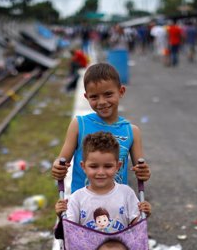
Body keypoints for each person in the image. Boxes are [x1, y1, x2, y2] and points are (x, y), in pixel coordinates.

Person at [50, 63, 150, 194]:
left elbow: (140, 171)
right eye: (94, 97)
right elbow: (62, 159)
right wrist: (57, 166)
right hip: (83, 207)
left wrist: (144, 172)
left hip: (117, 207)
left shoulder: (132, 132)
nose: (102, 102)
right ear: (86, 97)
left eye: (108, 94)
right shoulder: (79, 125)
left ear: (121, 92)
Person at [55, 131, 151, 232]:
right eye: (94, 166)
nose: (101, 172)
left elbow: (136, 229)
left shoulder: (126, 194)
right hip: (87, 248)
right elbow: (69, 231)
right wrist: (61, 215)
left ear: (118, 166)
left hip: (120, 247)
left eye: (108, 166)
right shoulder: (77, 198)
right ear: (83, 166)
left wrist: (143, 214)